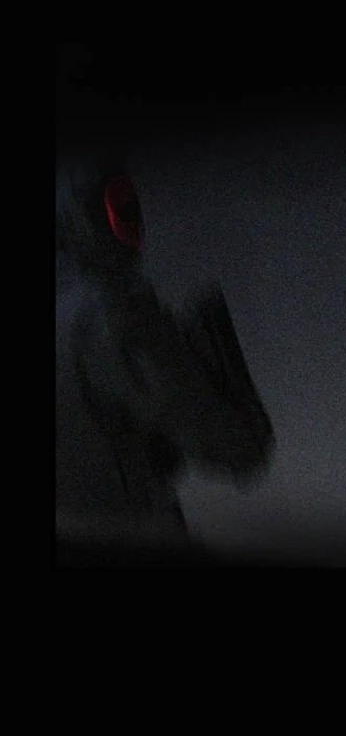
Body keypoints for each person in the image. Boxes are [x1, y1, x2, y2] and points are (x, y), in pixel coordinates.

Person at [56, 151, 275, 558]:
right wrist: (215, 357)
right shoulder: (113, 314)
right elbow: (240, 449)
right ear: (84, 217)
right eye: (121, 209)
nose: (131, 222)